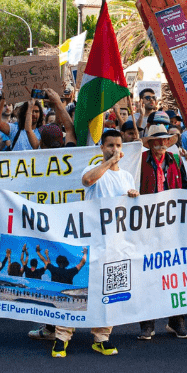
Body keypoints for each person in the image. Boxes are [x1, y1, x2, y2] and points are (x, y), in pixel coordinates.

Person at [50, 129, 139, 358]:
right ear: (102, 148)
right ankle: (62, 337)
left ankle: (102, 337)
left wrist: (133, 195)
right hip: (90, 239)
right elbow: (88, 180)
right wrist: (108, 164)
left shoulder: (127, 176)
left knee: (110, 288)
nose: (115, 150)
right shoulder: (94, 170)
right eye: (110, 145)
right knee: (77, 287)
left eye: (118, 146)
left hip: (115, 242)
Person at [136, 124, 187, 340]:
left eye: (164, 140)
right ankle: (147, 324)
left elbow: (186, 186)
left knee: (175, 273)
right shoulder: (140, 161)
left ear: (169, 142)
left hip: (172, 225)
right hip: (147, 224)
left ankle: (176, 321)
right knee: (147, 273)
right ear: (149, 143)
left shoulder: (176, 160)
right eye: (156, 140)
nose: (160, 144)